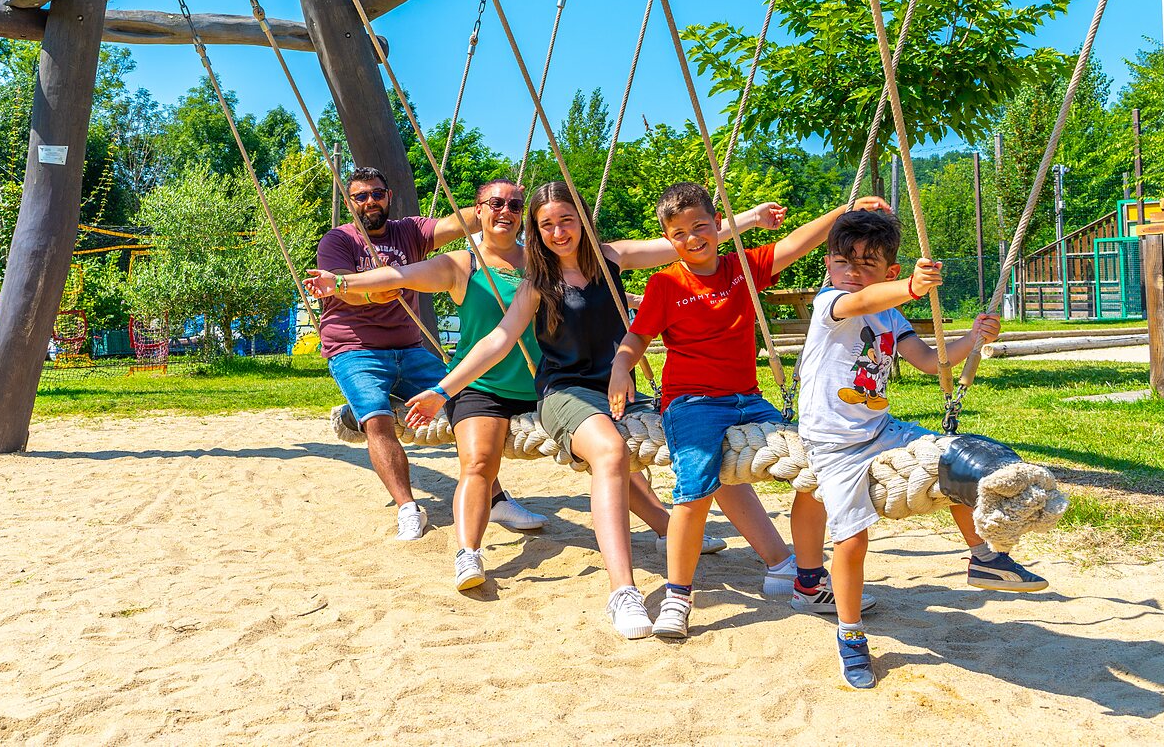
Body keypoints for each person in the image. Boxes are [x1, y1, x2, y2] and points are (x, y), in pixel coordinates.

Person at [404, 181, 787, 638]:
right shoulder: (537, 283)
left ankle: (781, 564)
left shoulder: (611, 258)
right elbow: (498, 340)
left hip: (618, 391)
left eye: (567, 220)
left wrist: (751, 219)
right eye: (546, 225)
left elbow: (685, 240)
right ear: (536, 231)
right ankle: (622, 592)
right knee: (610, 452)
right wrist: (442, 390)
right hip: (565, 393)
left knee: (707, 448)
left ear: (583, 220)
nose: (559, 232)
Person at [306, 178, 719, 590]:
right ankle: (468, 552)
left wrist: (737, 223)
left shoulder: (545, 261)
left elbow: (638, 260)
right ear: (477, 212)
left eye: (515, 205)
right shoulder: (461, 265)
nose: (505, 211)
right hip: (483, 387)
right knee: (479, 462)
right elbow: (399, 275)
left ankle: (668, 529)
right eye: (495, 203)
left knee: (613, 454)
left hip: (545, 387)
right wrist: (341, 284)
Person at [608, 183, 891, 638]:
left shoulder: (741, 266)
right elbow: (637, 337)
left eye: (700, 226)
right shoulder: (665, 284)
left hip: (748, 399)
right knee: (695, 487)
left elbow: (795, 244)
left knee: (812, 466)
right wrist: (622, 367)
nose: (692, 238)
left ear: (719, 224)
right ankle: (678, 595)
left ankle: (805, 580)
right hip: (693, 402)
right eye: (678, 233)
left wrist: (845, 209)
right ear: (668, 238)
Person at [797, 209, 1047, 689]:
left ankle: (984, 558)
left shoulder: (890, 314)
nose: (852, 272)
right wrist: (911, 286)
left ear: (888, 270)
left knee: (956, 458)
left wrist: (972, 338)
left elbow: (931, 362)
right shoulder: (832, 303)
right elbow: (863, 298)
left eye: (867, 264)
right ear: (828, 264)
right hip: (834, 443)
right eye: (843, 261)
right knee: (852, 539)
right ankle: (850, 634)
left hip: (879, 427)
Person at [316, 166, 544, 541]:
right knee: (377, 419)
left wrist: (499, 203)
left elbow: (460, 222)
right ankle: (408, 507)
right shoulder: (338, 240)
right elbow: (344, 291)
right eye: (361, 196)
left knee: (464, 400)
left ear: (389, 197)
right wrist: (373, 292)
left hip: (409, 348)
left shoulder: (409, 231)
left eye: (377, 194)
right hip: (355, 348)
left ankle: (495, 498)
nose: (370, 201)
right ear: (349, 201)